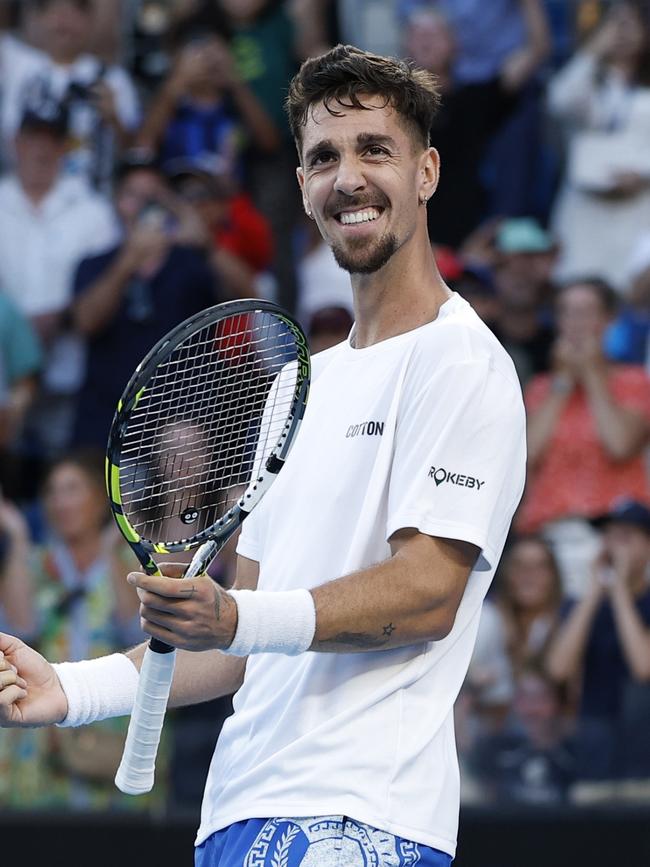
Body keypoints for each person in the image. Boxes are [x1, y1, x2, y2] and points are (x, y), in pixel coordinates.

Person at [0, 46, 527, 865]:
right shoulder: (295, 389)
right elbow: (239, 642)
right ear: (304, 185)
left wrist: (237, 617)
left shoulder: (462, 361)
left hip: (360, 818)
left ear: (426, 172)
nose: (347, 177)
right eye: (324, 157)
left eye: (373, 150)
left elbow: (429, 592)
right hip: (239, 809)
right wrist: (72, 688)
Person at [70, 154, 219, 449]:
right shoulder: (94, 264)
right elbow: (85, 323)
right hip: (106, 425)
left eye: (152, 196)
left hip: (178, 431)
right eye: (132, 195)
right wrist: (129, 261)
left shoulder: (189, 262)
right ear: (116, 202)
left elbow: (246, 292)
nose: (142, 205)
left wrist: (184, 219)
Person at [518, 276, 650, 594]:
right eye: (567, 312)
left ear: (608, 320)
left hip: (614, 537)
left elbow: (620, 445)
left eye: (586, 312)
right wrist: (562, 382)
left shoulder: (634, 382)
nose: (576, 323)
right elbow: (526, 455)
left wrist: (591, 374)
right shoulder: (540, 389)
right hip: (549, 540)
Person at [547, 0, 650, 292]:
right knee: (579, 296)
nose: (623, 32)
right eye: (615, 23)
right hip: (585, 212)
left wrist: (644, 174)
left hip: (639, 208)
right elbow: (559, 101)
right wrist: (595, 49)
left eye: (632, 23)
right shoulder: (588, 83)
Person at [546, 499, 650, 782]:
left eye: (626, 536)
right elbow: (558, 669)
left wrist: (618, 592)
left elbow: (643, 666)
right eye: (609, 535)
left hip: (644, 754)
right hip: (594, 750)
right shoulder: (582, 604)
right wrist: (594, 591)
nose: (614, 545)